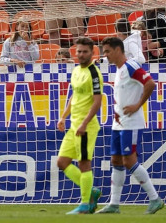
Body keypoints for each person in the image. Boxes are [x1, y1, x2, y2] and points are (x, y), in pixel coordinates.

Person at [97, 36, 164, 215]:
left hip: (131, 123)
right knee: (116, 161)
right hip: (118, 123)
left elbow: (150, 83)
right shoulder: (119, 70)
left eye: (107, 52)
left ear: (118, 50)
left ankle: (155, 198)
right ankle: (114, 203)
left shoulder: (130, 66)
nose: (106, 56)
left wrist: (137, 105)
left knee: (129, 160)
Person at [55, 37, 103, 214]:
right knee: (62, 162)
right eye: (79, 51)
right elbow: (74, 96)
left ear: (92, 53)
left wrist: (84, 123)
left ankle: (85, 204)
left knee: (84, 163)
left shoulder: (94, 73)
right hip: (74, 124)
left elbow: (97, 102)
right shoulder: (75, 71)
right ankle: (91, 191)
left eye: (85, 52)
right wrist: (63, 117)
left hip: (86, 126)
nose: (81, 55)